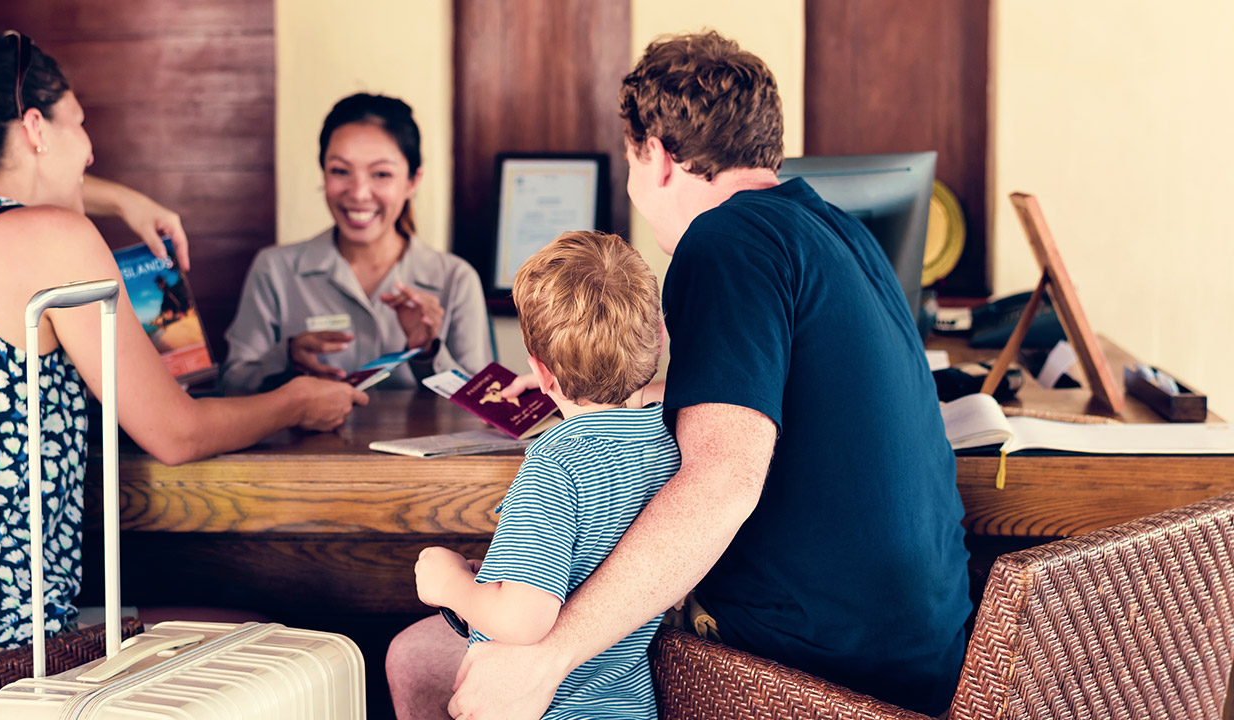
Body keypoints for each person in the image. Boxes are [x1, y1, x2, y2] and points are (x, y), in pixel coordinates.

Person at [390, 31, 972, 719]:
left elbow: (723, 480)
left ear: (659, 157)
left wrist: (551, 658)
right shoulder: (839, 232)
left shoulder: (723, 241)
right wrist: (620, 390)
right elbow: (780, 393)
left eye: (631, 162)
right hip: (922, 651)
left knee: (423, 660)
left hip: (810, 663)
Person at [0, 31, 368, 664]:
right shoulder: (54, 240)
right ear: (35, 127)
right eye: (81, 124)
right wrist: (296, 403)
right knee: (277, 640)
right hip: (6, 639)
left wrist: (122, 198)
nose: (90, 153)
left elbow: (16, 193)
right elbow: (176, 434)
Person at [406, 231, 680, 720]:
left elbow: (522, 619)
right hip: (626, 704)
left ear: (539, 371)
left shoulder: (556, 464)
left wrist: (447, 583)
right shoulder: (667, 443)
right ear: (658, 337)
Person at [221, 93, 492, 394]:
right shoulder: (275, 270)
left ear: (412, 181)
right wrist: (286, 358)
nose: (359, 193)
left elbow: (488, 403)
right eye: (340, 171)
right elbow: (232, 385)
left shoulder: (455, 279)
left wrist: (427, 352)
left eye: (381, 174)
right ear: (323, 172)